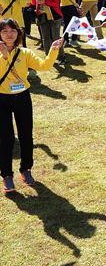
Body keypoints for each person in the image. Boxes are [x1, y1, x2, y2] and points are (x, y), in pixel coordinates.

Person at [0, 19, 62, 193]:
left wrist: (54, 50)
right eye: (4, 31)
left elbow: (45, 65)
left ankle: (26, 170)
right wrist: (4, 57)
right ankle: (6, 175)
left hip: (22, 98)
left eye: (12, 30)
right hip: (2, 99)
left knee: (26, 134)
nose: (9, 34)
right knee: (6, 138)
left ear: (18, 33)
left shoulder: (25, 53)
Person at [31, 0, 64, 64]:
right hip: (42, 17)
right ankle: (48, 57)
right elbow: (33, 3)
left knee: (56, 38)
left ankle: (61, 56)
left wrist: (45, 2)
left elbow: (56, 4)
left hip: (55, 17)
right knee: (45, 38)